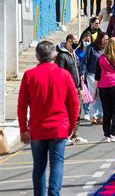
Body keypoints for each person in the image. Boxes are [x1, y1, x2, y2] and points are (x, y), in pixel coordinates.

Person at [17, 41, 79, 196]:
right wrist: (72, 126)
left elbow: (22, 105)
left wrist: (23, 129)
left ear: (37, 56)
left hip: (38, 129)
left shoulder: (29, 75)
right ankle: (54, 193)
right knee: (57, 163)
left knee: (39, 166)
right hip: (59, 128)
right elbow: (74, 103)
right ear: (55, 56)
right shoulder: (64, 75)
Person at [56, 34, 88, 144]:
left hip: (77, 88)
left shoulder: (73, 54)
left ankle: (74, 135)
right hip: (68, 90)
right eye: (74, 41)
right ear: (69, 41)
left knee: (77, 113)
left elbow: (78, 68)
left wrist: (81, 80)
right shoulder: (62, 56)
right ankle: (65, 136)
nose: (77, 43)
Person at [81, 31, 108, 125]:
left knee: (103, 95)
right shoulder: (91, 48)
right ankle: (95, 116)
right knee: (94, 95)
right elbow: (85, 61)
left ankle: (102, 115)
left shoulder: (106, 49)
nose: (106, 41)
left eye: (107, 39)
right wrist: (83, 73)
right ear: (100, 38)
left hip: (104, 76)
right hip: (92, 75)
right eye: (105, 39)